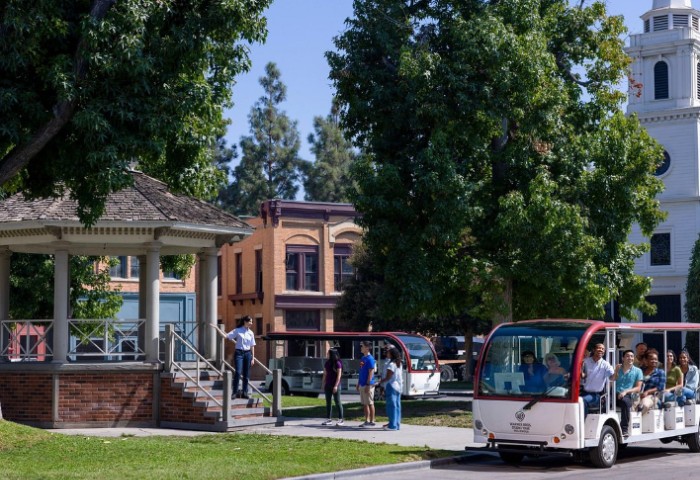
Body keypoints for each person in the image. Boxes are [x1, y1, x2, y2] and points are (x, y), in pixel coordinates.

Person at [613, 349, 643, 437]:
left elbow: (638, 388)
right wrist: (615, 371)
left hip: (628, 395)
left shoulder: (638, 371)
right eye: (627, 356)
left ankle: (624, 429)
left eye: (632, 356)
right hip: (614, 394)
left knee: (625, 403)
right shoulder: (618, 368)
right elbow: (611, 381)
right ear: (623, 358)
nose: (630, 358)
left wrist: (625, 391)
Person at [225, 316, 256, 399]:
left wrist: (253, 358)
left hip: (248, 354)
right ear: (245, 322)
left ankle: (244, 392)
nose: (251, 323)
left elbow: (252, 345)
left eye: (252, 322)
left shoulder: (251, 333)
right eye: (250, 321)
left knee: (246, 374)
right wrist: (217, 329)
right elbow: (227, 336)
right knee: (238, 372)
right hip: (239, 353)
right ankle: (234, 392)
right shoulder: (237, 330)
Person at [581, 343, 614, 416]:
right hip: (581, 392)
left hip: (596, 395)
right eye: (599, 348)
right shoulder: (585, 362)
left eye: (603, 349)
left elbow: (612, 377)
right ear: (593, 350)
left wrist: (616, 371)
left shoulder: (606, 364)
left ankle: (582, 421)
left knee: (582, 401)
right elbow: (581, 375)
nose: (601, 350)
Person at [380, 346, 403, 431]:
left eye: (388, 352)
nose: (387, 353)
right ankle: (396, 424)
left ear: (392, 354)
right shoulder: (399, 363)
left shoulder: (391, 364)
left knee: (391, 406)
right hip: (398, 387)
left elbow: (388, 377)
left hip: (391, 385)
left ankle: (392, 426)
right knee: (397, 406)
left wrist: (380, 382)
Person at [321, 348, 344, 426]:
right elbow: (325, 374)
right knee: (328, 402)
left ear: (332, 354)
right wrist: (323, 383)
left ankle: (341, 419)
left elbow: (339, 375)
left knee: (337, 402)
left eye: (328, 353)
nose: (327, 355)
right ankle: (328, 419)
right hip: (328, 384)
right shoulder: (327, 363)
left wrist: (336, 386)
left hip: (335, 385)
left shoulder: (338, 363)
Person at [638, 349, 666, 414]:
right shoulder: (641, 371)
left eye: (656, 359)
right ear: (646, 360)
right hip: (638, 394)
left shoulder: (660, 372)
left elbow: (660, 387)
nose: (654, 361)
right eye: (651, 359)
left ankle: (638, 419)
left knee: (644, 405)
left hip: (652, 396)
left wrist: (647, 392)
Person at [357, 341, 376, 427]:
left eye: (363, 346)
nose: (361, 348)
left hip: (368, 384)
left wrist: (368, 384)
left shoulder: (370, 359)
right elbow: (361, 371)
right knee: (365, 403)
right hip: (362, 383)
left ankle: (372, 421)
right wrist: (358, 383)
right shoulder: (362, 358)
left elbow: (371, 372)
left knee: (370, 402)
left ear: (367, 348)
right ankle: (366, 420)